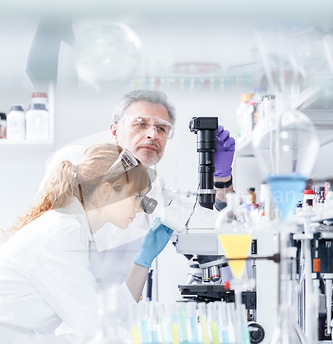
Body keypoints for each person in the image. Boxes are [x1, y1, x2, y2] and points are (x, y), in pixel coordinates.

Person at [0, 143, 173, 344]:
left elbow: (103, 303)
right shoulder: (62, 232)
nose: (139, 207)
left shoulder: (71, 227)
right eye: (136, 197)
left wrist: (142, 261)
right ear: (105, 191)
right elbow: (92, 326)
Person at [39, 90, 235, 285]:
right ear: (115, 132)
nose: (152, 134)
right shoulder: (75, 162)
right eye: (141, 124)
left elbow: (216, 234)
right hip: (58, 303)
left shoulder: (157, 192)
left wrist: (222, 179)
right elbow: (45, 238)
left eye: (161, 129)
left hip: (117, 309)